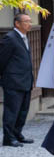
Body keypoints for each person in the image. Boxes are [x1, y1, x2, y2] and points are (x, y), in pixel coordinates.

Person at [0, 14, 35, 146]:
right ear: (17, 24)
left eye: (30, 21)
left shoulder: (24, 37)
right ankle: (8, 138)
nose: (29, 24)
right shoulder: (10, 38)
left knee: (23, 110)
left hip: (25, 79)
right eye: (26, 21)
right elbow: (2, 60)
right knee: (12, 110)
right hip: (13, 80)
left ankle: (17, 133)